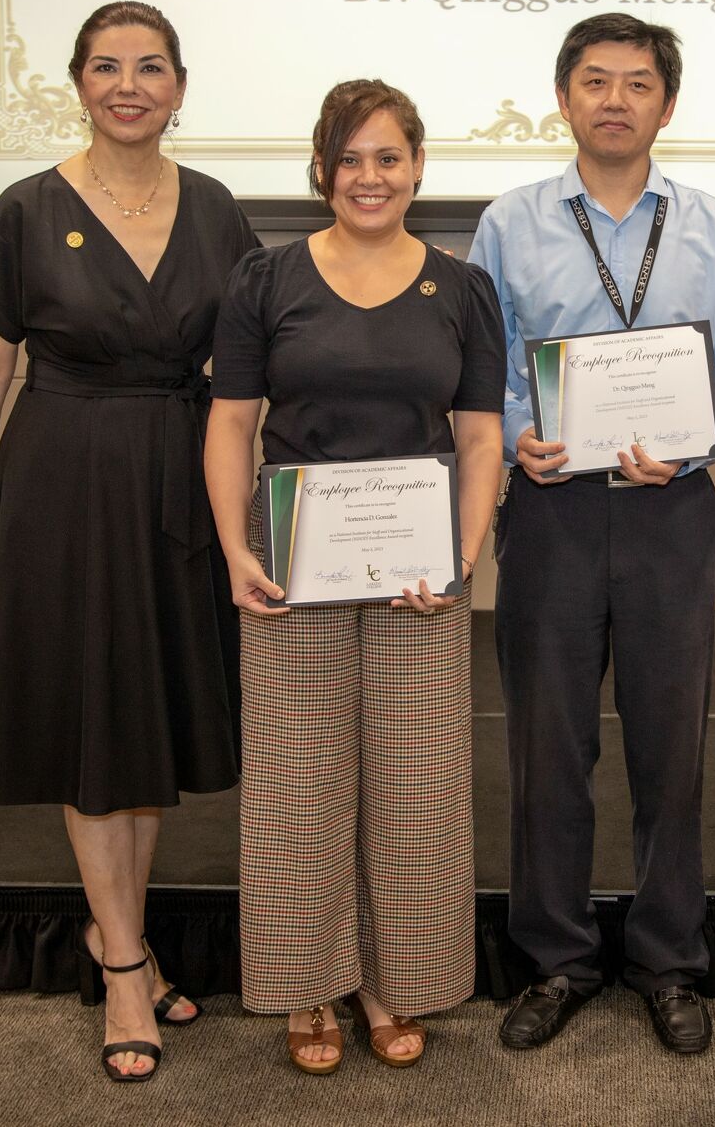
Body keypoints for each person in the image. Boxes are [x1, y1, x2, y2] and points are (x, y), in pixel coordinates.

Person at [0, 0, 256, 1083]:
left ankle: (113, 929)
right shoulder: (27, 210)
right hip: (62, 482)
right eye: (107, 66)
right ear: (77, 83)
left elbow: (250, 371)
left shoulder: (217, 210)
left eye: (151, 67)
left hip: (179, 480)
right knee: (90, 713)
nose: (129, 84)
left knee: (149, 720)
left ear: (179, 86)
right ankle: (124, 959)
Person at [469, 13, 715, 1056]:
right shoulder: (509, 221)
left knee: (669, 749)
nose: (613, 99)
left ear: (666, 104)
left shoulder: (710, 225)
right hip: (551, 509)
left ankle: (665, 957)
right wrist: (519, 434)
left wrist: (697, 440)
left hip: (668, 512)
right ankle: (554, 958)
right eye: (593, 81)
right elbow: (485, 362)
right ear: (563, 98)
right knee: (546, 747)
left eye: (635, 83)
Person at [204, 79, 506, 1075]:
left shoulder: (461, 290)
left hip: (422, 562)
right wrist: (236, 549)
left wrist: (461, 561)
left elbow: (477, 437)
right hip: (291, 554)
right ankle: (308, 986)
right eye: (350, 158)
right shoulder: (266, 280)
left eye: (388, 157)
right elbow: (232, 422)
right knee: (299, 780)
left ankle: (393, 982)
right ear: (322, 170)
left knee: (414, 781)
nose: (368, 176)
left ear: (418, 166)